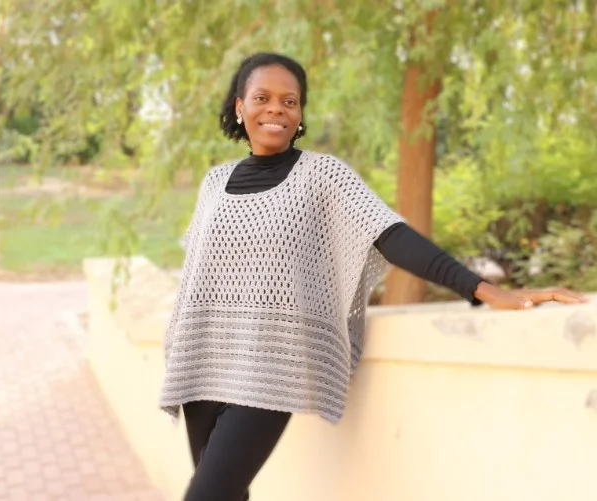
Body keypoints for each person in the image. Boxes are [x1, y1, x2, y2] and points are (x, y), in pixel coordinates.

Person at [160, 52, 587, 501]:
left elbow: (390, 235)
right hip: (202, 359)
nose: (276, 109)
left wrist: (483, 289)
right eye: (262, 98)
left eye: (290, 101)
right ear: (239, 107)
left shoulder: (323, 176)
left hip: (271, 365)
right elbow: (198, 275)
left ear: (300, 113)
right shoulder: (214, 182)